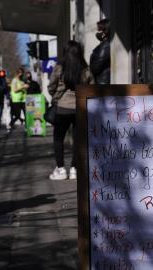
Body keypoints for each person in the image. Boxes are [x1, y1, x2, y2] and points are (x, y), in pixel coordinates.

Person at [48, 40, 94, 180]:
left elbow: (51, 86)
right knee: (78, 139)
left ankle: (61, 169)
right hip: (79, 108)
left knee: (58, 137)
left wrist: (56, 96)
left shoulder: (59, 67)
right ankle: (74, 169)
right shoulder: (85, 69)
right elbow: (92, 87)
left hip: (62, 108)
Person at [89, 19, 110, 84]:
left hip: (102, 82)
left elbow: (95, 67)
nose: (97, 33)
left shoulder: (105, 46)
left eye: (99, 30)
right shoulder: (105, 44)